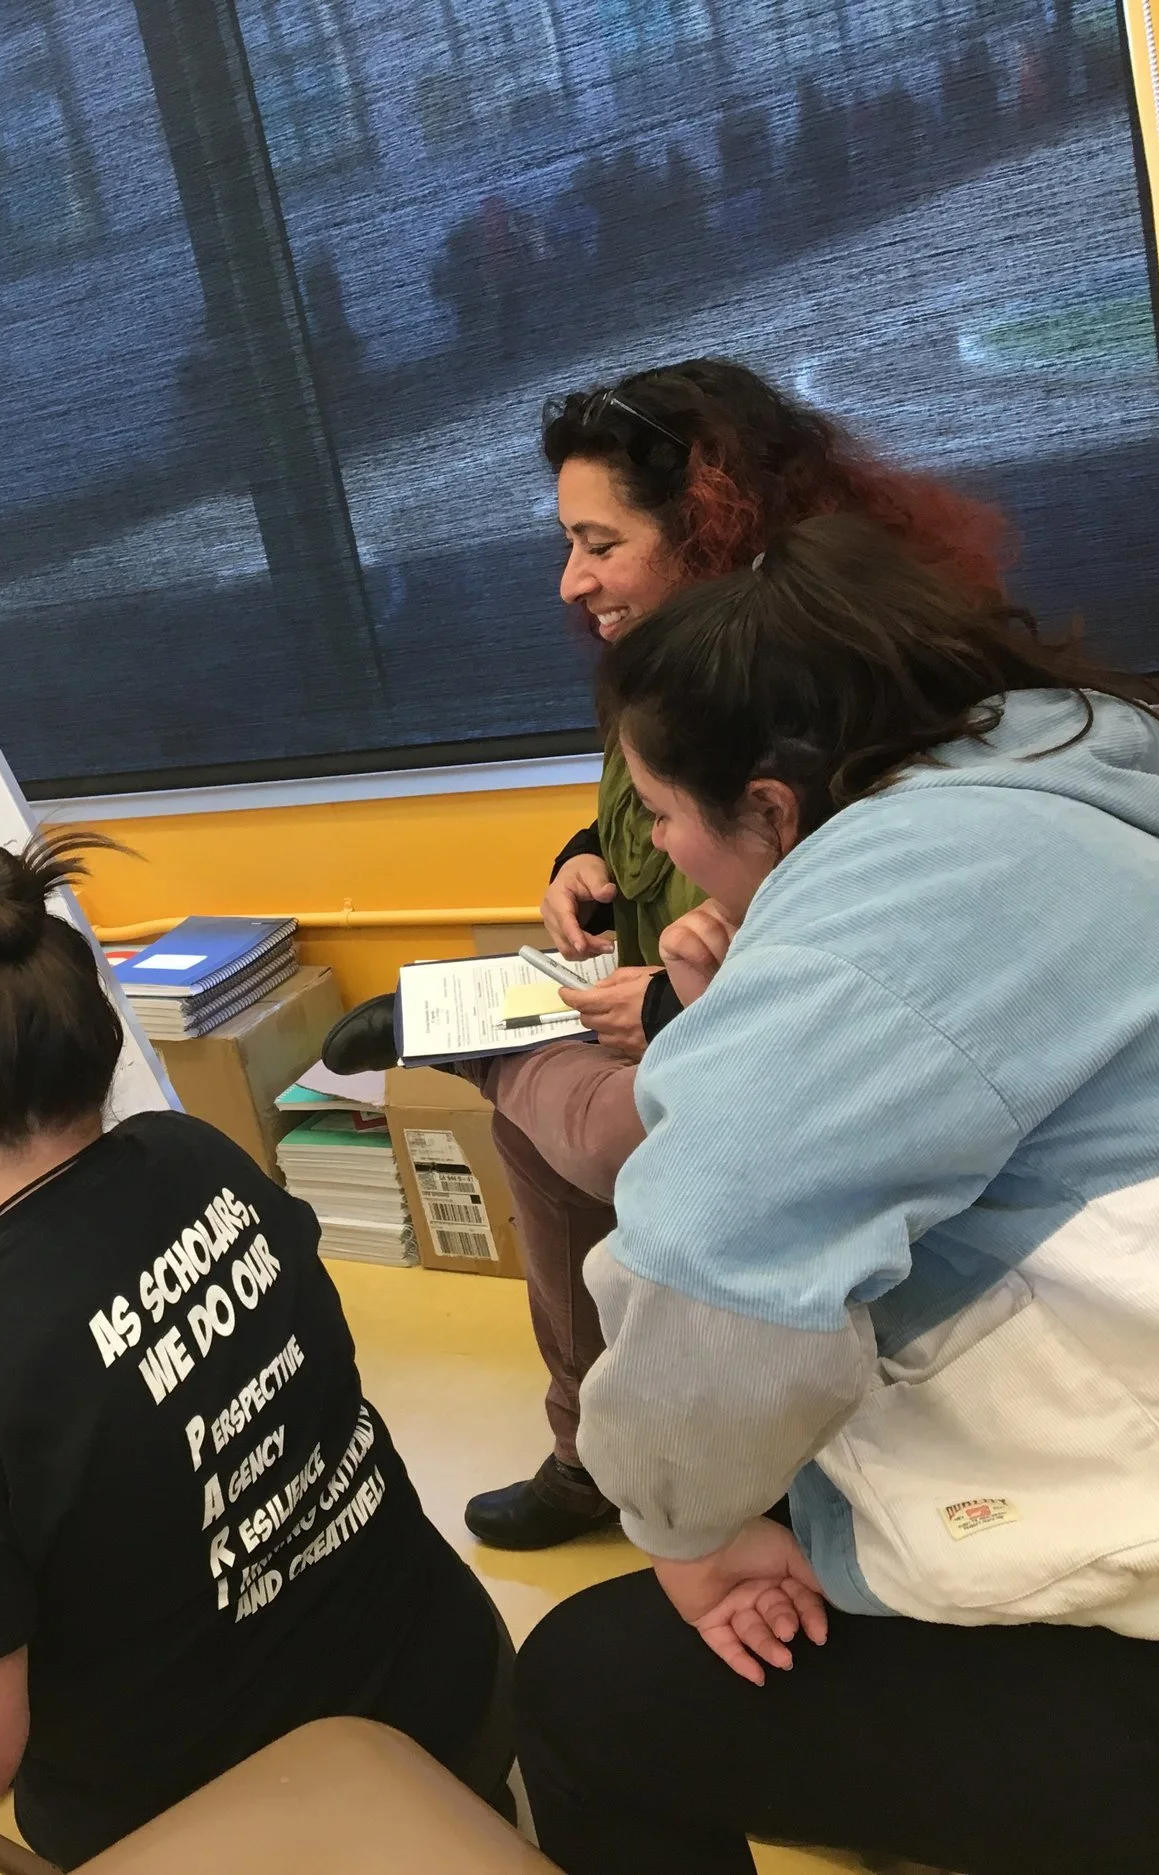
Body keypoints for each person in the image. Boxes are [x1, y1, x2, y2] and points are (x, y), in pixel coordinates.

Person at [515, 517, 1159, 1873]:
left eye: (660, 815)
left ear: (772, 809)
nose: (658, 843)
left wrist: (685, 1533)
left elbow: (708, 1283)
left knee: (587, 1680)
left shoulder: (879, 913)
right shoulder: (1048, 810)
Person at [322, 358, 1009, 1550]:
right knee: (539, 1140)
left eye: (599, 544)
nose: (569, 581)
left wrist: (681, 1013)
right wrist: (586, 854)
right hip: (668, 1012)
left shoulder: (834, 709)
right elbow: (657, 813)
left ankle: (478, 1040)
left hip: (779, 1073)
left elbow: (854, 993)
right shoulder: (678, 667)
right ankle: (589, 1451)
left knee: (569, 1118)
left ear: (706, 528)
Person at [0, 834, 514, 1868]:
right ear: (103, 1045)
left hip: (251, 1820)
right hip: (451, 1691)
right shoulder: (194, 1153)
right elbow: (134, 1366)